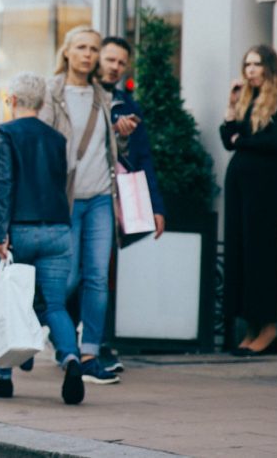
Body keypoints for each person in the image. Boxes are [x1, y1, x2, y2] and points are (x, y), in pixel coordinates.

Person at [0, 72, 84, 405]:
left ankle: (3, 378)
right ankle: (71, 359)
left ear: (11, 101)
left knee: (9, 302)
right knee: (55, 304)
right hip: (58, 230)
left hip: (20, 231)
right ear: (42, 103)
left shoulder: (5, 133)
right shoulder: (57, 139)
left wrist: (1, 234)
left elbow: (5, 186)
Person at [39, 26, 120, 384]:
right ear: (68, 52)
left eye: (94, 49)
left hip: (101, 198)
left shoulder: (104, 97)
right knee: (66, 278)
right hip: (65, 200)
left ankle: (89, 354)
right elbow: (39, 147)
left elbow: (108, 151)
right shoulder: (49, 94)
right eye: (82, 48)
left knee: (97, 277)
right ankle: (54, 334)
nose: (88, 54)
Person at [96, 36, 167, 374]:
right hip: (77, 197)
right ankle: (67, 332)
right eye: (110, 59)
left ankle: (101, 342)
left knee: (107, 272)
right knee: (76, 270)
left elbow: (143, 158)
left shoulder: (129, 106)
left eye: (121, 62)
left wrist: (156, 206)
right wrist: (112, 130)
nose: (115, 67)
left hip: (116, 199)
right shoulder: (79, 96)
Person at [220, 45, 277, 356]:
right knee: (240, 251)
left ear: (269, 67)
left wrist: (242, 141)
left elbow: (276, 141)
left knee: (261, 253)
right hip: (240, 184)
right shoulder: (248, 99)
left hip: (267, 187)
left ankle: (268, 328)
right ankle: (251, 327)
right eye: (247, 64)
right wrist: (231, 109)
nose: (250, 70)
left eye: (257, 64)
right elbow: (227, 139)